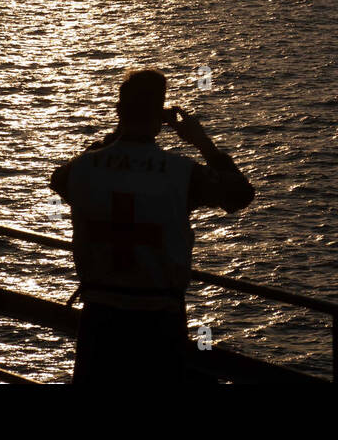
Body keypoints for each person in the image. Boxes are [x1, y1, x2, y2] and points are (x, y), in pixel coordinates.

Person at [49, 69, 254, 384]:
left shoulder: (82, 169)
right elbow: (240, 194)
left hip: (99, 320)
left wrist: (114, 139)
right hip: (158, 320)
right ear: (159, 117)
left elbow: (59, 179)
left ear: (119, 111)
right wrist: (202, 141)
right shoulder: (181, 174)